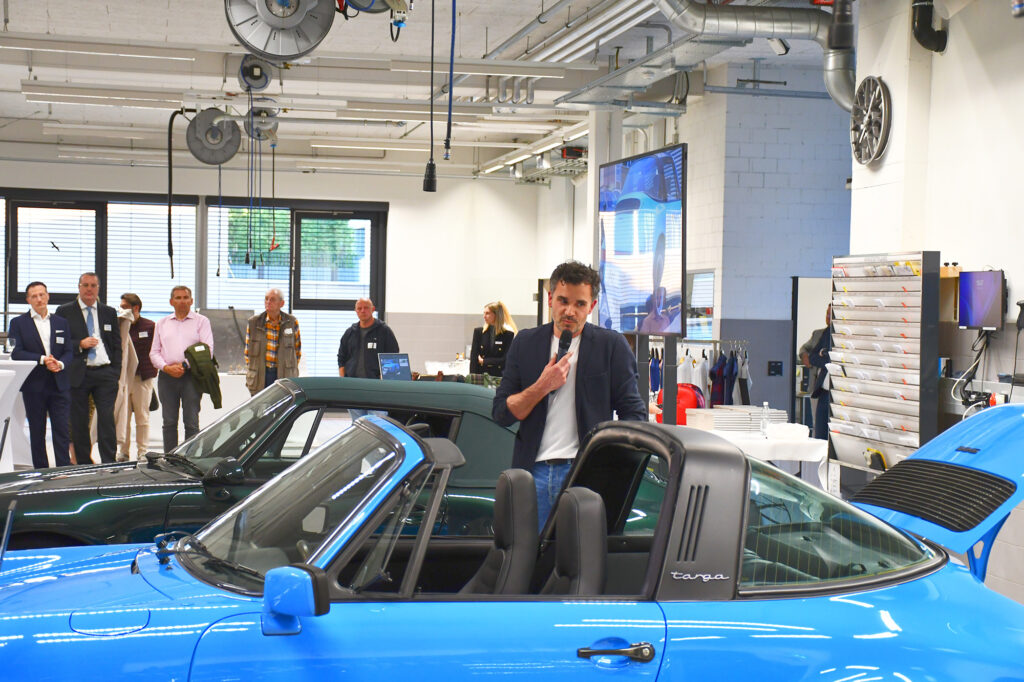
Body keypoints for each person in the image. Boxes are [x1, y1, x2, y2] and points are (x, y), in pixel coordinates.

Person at [493, 261, 647, 531]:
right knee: (530, 553)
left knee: (581, 552)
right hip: (533, 474)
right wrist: (543, 385)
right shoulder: (525, 343)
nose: (570, 311)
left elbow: (634, 416)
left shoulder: (611, 346)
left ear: (592, 306)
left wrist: (608, 464)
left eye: (580, 304)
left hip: (585, 474)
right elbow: (502, 413)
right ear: (550, 299)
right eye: (563, 301)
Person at [56, 272, 122, 464]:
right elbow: (58, 342)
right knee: (79, 420)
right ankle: (84, 462)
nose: (89, 289)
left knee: (106, 419)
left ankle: (109, 461)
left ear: (98, 288)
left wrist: (115, 372)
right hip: (78, 373)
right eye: (85, 285)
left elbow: (116, 344)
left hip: (105, 374)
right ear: (79, 287)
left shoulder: (109, 312)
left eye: (93, 285)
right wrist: (79, 344)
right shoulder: (64, 311)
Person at [8, 282, 73, 468]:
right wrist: (43, 359)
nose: (39, 299)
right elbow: (16, 352)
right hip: (34, 385)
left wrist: (59, 364)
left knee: (62, 430)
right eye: (34, 296)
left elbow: (69, 351)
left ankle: (63, 470)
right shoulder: (18, 323)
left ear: (48, 296)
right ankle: (41, 472)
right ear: (28, 300)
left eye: (42, 295)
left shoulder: (61, 322)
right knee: (37, 432)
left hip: (59, 383)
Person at [150, 285, 214, 452]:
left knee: (191, 422)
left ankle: (189, 458)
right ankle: (169, 458)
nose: (182, 301)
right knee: (169, 422)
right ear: (171, 301)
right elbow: (154, 352)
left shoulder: (202, 321)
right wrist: (166, 367)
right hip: (167, 376)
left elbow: (207, 350)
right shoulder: (162, 323)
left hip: (192, 376)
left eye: (185, 297)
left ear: (191, 301)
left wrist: (185, 364)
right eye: (178, 298)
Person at [337, 297, 399, 420]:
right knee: (357, 424)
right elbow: (341, 358)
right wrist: (344, 379)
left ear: (373, 309)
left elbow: (393, 356)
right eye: (359, 308)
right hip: (354, 387)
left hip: (377, 388)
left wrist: (384, 380)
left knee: (377, 423)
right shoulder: (350, 332)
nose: (363, 311)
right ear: (355, 311)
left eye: (366, 308)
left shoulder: (384, 331)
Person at [116, 293, 156, 461]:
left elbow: (156, 349)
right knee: (123, 417)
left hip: (143, 378)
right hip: (124, 379)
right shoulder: (119, 325)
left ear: (136, 308)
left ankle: (142, 451)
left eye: (125, 307)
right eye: (121, 307)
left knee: (142, 417)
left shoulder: (150, 326)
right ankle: (123, 451)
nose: (122, 310)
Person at [245, 288, 301, 396]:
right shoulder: (254, 322)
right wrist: (255, 369)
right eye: (266, 299)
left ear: (282, 303)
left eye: (272, 299)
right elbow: (247, 353)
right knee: (261, 405)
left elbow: (297, 351)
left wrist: (289, 369)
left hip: (283, 375)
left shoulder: (291, 322)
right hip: (260, 375)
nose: (268, 302)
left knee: (282, 405)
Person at [470, 301, 517, 377]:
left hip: (499, 376)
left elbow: (505, 360)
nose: (484, 316)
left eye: (487, 313)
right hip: (481, 375)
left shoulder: (508, 335)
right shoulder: (479, 332)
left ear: (496, 315)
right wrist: (472, 377)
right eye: (484, 313)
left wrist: (484, 361)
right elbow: (474, 359)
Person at [807, 306, 833, 440]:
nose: (827, 317)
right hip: (823, 391)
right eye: (827, 314)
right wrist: (828, 359)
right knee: (820, 435)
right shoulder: (827, 332)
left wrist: (825, 354)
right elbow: (812, 357)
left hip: (838, 394)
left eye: (830, 314)